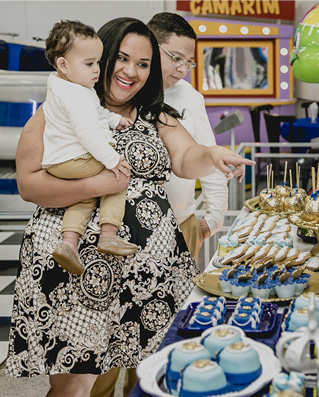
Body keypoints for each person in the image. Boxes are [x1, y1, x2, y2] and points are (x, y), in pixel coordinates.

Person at [5, 17, 252, 397]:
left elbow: (187, 157)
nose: (130, 71)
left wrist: (212, 155)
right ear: (101, 56)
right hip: (74, 279)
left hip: (146, 282)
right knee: (76, 386)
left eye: (143, 63)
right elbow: (29, 182)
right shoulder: (64, 106)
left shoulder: (157, 113)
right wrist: (97, 184)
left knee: (154, 378)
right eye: (122, 58)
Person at [40, 20, 139, 276]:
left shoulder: (67, 87)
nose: (97, 70)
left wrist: (115, 120)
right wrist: (112, 160)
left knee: (84, 197)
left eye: (98, 62)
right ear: (63, 64)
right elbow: (87, 132)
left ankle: (68, 243)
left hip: (59, 162)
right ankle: (108, 234)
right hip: (75, 158)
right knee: (116, 181)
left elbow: (96, 114)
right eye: (89, 63)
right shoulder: (75, 94)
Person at [150, 12, 228, 263]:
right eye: (175, 58)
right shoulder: (125, 92)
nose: (183, 68)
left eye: (189, 61)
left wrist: (214, 218)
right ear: (150, 46)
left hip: (182, 222)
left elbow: (209, 156)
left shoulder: (191, 97)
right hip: (125, 230)